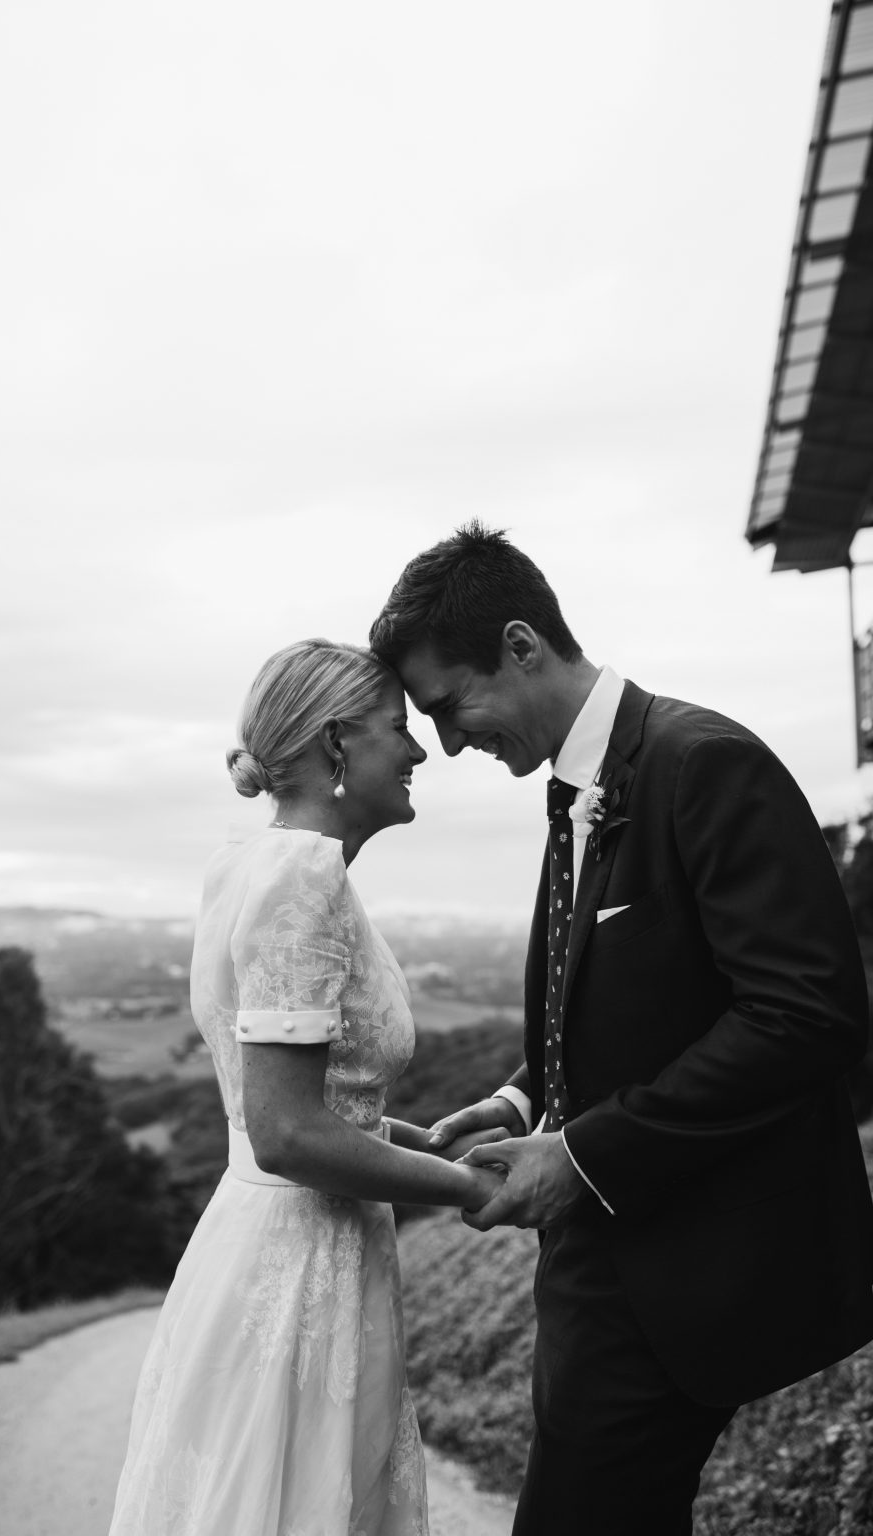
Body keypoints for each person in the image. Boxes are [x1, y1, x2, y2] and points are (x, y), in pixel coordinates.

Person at [368, 522, 873, 1536]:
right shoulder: (576, 786)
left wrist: (585, 1153)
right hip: (597, 1259)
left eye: (450, 706)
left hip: (688, 1259)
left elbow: (806, 1013)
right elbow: (627, 996)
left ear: (520, 646)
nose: (451, 743)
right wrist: (522, 1098)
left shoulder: (704, 763)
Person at [108, 638, 501, 1536]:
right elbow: (286, 1133)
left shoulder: (251, 863)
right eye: (398, 727)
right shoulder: (303, 879)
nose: (419, 749)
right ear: (336, 744)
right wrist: (466, 1189)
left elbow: (303, 1107)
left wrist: (418, 1140)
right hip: (298, 1271)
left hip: (280, 1243)